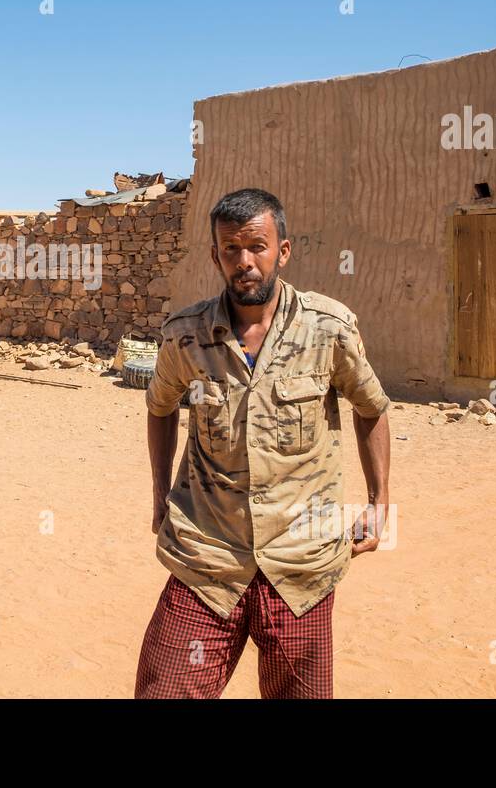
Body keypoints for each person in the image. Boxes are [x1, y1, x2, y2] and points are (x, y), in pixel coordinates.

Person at [135, 187, 391, 699]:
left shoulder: (329, 329)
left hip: (301, 565)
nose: (244, 262)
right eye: (231, 249)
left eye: (257, 246)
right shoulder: (184, 336)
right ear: (215, 255)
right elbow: (160, 407)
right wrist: (160, 492)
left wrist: (381, 503)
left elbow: (372, 407)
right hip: (207, 559)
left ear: (283, 250)